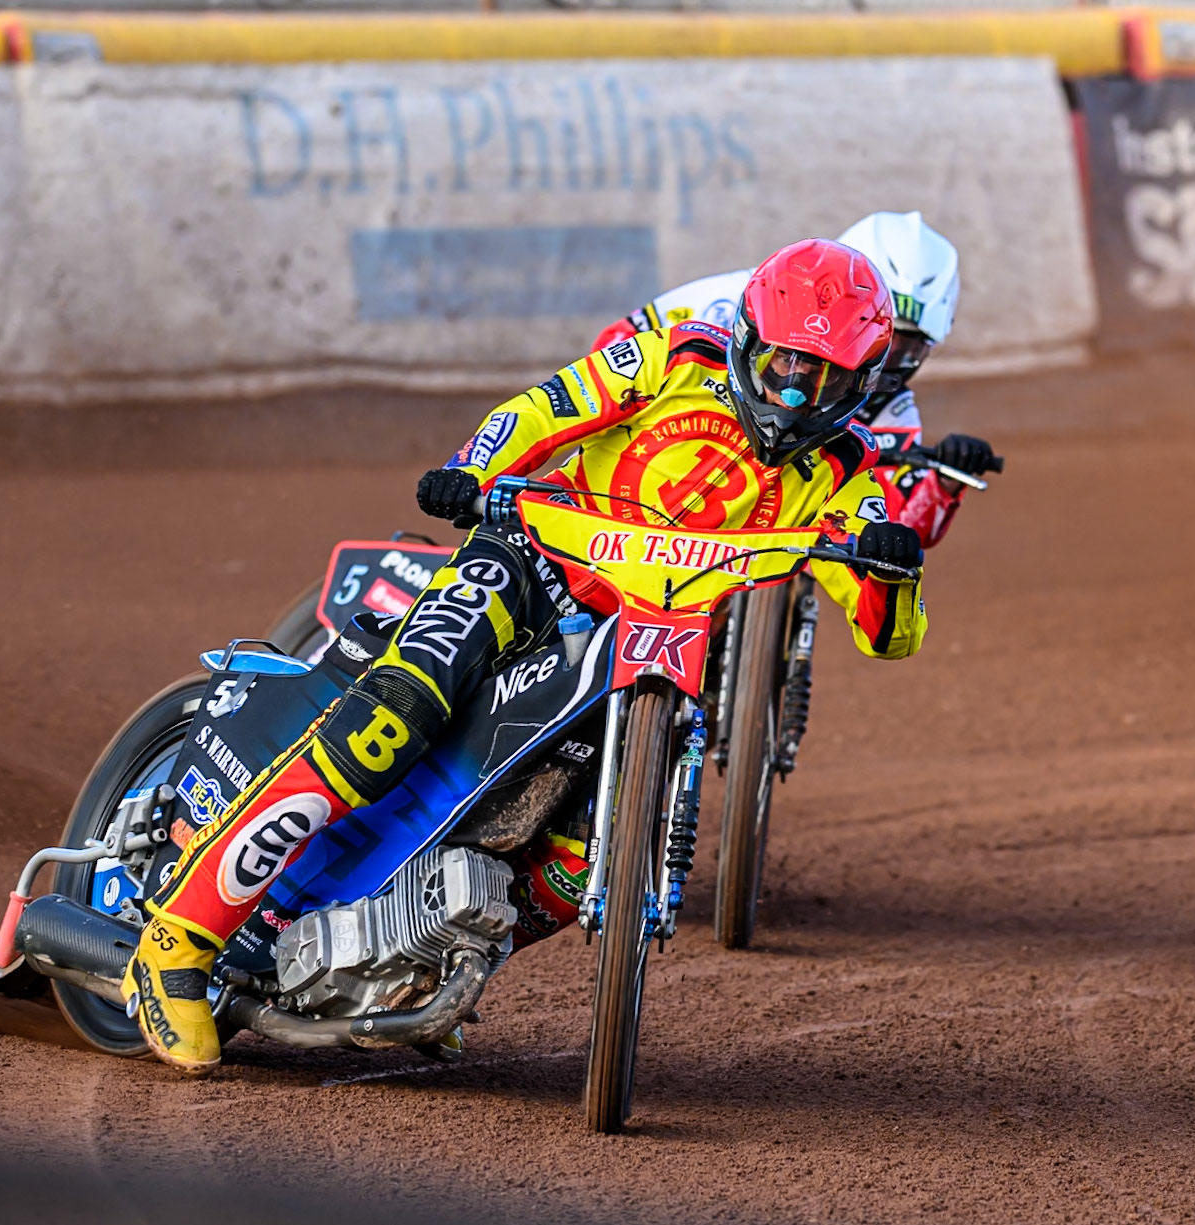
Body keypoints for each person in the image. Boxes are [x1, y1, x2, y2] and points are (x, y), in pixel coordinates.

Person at [123, 239, 931, 1074]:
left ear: (861, 381)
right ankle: (181, 937)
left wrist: (895, 569)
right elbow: (545, 408)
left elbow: (888, 632)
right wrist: (474, 467)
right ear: (746, 339)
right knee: (394, 716)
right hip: (533, 564)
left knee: (582, 867)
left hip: (652, 637)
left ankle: (417, 969)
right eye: (781, 365)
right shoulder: (673, 357)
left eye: (823, 378)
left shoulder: (848, 470)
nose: (794, 392)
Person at [593, 211, 999, 549]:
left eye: (905, 350)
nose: (889, 366)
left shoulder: (891, 409)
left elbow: (898, 529)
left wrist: (943, 482)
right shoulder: (740, 297)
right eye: (877, 342)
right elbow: (616, 346)